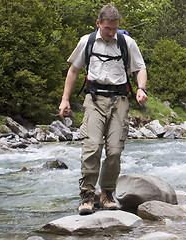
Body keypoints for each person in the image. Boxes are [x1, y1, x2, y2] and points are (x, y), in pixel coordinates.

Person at [58, 4, 147, 215]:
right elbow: (74, 70)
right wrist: (65, 99)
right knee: (92, 146)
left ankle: (107, 193)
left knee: (115, 150)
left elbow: (140, 68)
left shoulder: (127, 43)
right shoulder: (86, 42)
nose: (111, 32)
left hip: (120, 100)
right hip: (94, 100)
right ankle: (87, 195)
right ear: (98, 24)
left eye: (114, 28)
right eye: (107, 28)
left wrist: (141, 88)